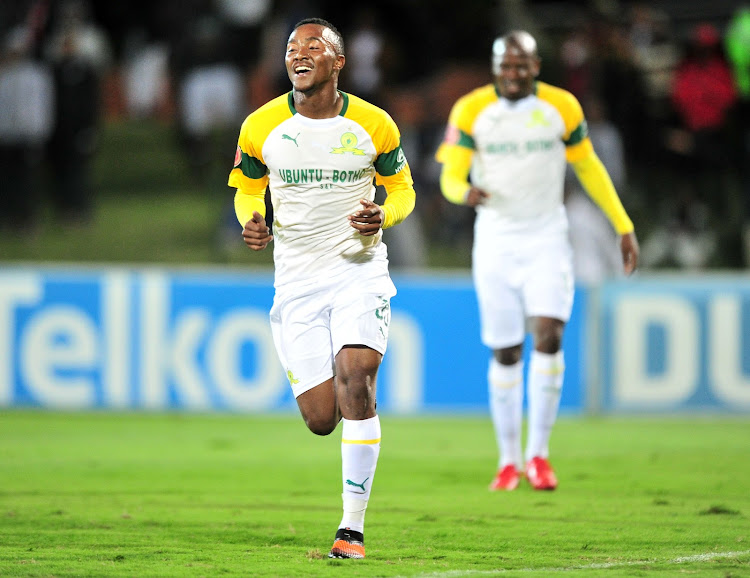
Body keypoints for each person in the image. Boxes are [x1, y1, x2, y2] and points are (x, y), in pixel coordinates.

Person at [227, 18, 415, 558]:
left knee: (357, 377)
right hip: (297, 283)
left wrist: (384, 215)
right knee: (319, 418)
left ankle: (351, 530)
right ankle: (348, 426)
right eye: (291, 47)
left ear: (338, 62)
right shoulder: (261, 126)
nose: (298, 54)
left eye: (313, 46)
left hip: (358, 270)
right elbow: (246, 187)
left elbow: (402, 188)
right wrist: (250, 218)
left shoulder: (373, 124)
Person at [436, 30, 638, 491]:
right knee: (507, 350)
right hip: (496, 242)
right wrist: (462, 191)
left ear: (536, 65)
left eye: (520, 65)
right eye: (505, 65)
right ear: (494, 69)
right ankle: (508, 461)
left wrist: (622, 224)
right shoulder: (471, 109)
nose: (513, 73)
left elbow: (588, 166)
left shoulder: (562, 107)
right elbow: (449, 172)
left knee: (549, 334)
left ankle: (539, 456)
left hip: (548, 236)